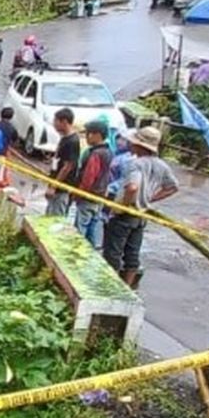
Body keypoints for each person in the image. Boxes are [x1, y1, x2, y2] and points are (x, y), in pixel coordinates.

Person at [102, 126, 178, 288]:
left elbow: (132, 187)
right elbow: (172, 187)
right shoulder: (161, 166)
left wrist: (123, 206)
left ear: (139, 145)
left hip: (125, 214)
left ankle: (109, 287)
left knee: (113, 253)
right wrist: (150, 198)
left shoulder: (135, 164)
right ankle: (128, 288)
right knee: (132, 255)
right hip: (141, 215)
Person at [74, 121, 113, 249]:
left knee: (80, 228)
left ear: (97, 135)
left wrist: (79, 193)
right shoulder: (109, 152)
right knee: (92, 227)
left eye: (89, 134)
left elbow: (89, 177)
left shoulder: (95, 154)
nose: (87, 137)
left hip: (88, 196)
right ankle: (91, 253)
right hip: (100, 196)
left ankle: (77, 252)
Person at [45, 108, 79, 217]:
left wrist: (54, 186)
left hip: (61, 188)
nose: (54, 124)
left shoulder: (72, 141)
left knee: (56, 217)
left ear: (64, 122)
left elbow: (68, 166)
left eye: (56, 121)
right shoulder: (64, 138)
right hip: (55, 184)